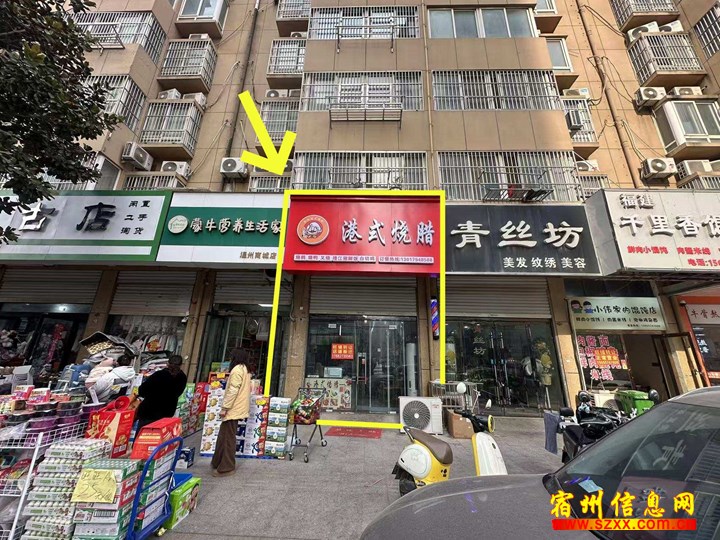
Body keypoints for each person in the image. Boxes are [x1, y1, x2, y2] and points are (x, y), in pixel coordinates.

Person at [211, 350, 251, 477]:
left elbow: (233, 390)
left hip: (233, 408)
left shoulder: (237, 370)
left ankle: (226, 467)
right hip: (237, 407)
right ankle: (217, 462)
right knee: (224, 436)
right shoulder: (244, 369)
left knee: (227, 438)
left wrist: (225, 407)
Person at [133, 355, 187, 434]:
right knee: (159, 436)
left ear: (167, 363)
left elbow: (142, 390)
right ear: (181, 365)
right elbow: (178, 393)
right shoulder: (182, 377)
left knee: (142, 436)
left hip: (149, 411)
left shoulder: (158, 375)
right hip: (167, 412)